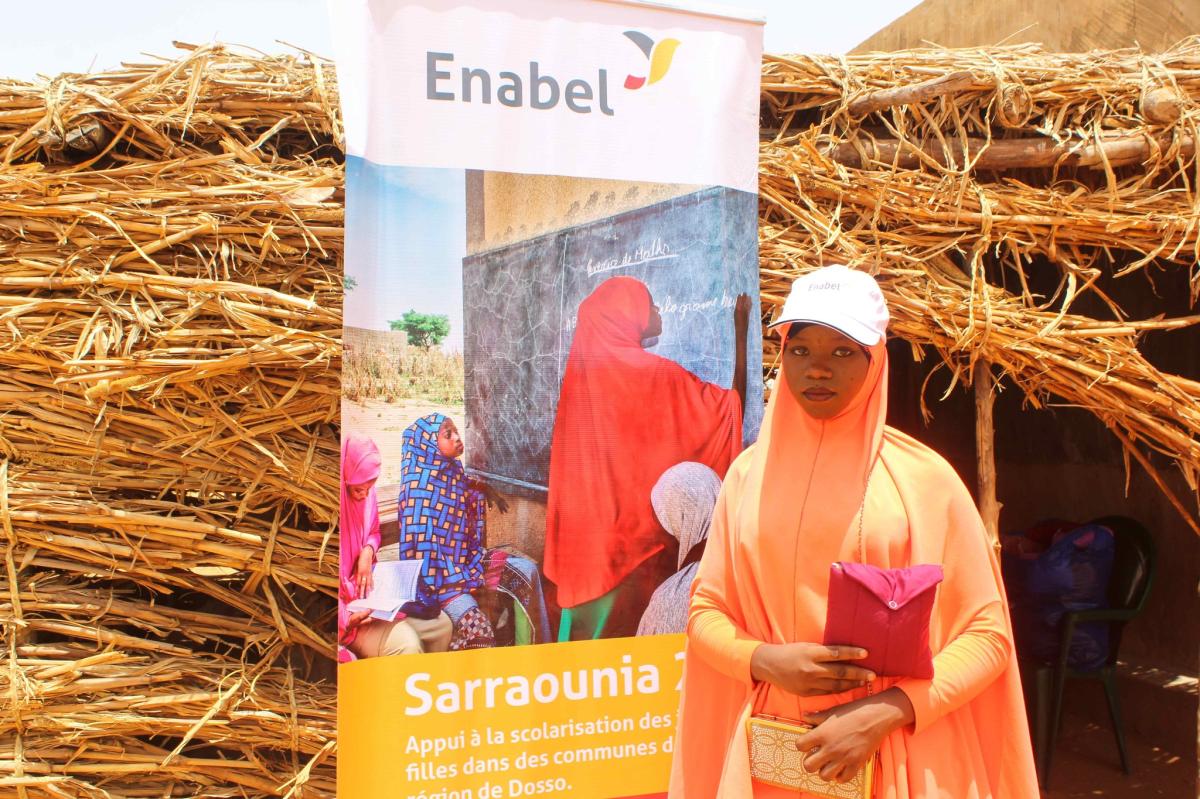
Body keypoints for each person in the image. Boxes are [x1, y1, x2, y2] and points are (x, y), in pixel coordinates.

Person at [669, 265, 1039, 797]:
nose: (817, 369)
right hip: (772, 756)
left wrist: (890, 710)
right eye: (799, 350)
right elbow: (706, 611)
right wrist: (763, 660)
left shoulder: (924, 480)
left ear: (876, 360)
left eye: (842, 351)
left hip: (894, 755)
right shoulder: (746, 477)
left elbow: (987, 635)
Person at [545, 275, 752, 641]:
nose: (658, 311)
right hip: (635, 562)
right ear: (628, 314)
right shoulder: (656, 375)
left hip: (587, 552)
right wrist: (741, 328)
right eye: (650, 303)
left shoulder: (581, 377)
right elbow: (730, 409)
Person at [397, 413, 506, 650]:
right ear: (428, 445)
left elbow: (467, 483)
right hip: (439, 585)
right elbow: (426, 566)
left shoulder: (450, 473)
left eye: (456, 430)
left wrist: (486, 489)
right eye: (448, 434)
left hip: (465, 565)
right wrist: (464, 581)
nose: (457, 438)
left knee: (525, 575)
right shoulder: (419, 494)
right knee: (481, 633)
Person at [339, 433, 451, 660]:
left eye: (370, 488)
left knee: (443, 625)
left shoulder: (366, 495)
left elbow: (372, 532)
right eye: (357, 490)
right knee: (407, 645)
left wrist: (367, 552)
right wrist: (346, 620)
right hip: (349, 618)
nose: (364, 496)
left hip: (372, 598)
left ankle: (427, 686)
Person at [636, 462, 721, 637]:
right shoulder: (757, 568)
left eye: (663, 519)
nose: (658, 535)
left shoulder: (672, 598)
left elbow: (650, 661)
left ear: (681, 516)